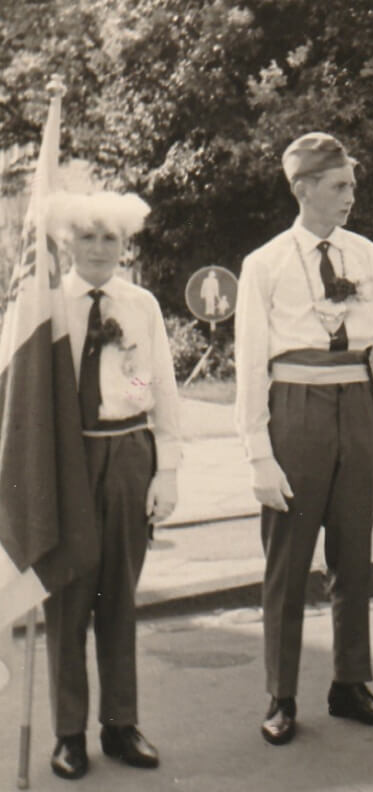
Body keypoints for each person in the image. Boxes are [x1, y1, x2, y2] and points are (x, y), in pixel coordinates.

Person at [235, 132, 373, 746]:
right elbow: (251, 364)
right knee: (288, 562)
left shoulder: (365, 255)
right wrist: (259, 453)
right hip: (296, 409)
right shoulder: (266, 263)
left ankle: (351, 682)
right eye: (339, 186)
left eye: (353, 185)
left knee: (354, 557)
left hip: (356, 407)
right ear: (302, 188)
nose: (351, 197)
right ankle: (281, 695)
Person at [45, 192, 179, 780]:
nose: (99, 249)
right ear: (66, 242)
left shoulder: (140, 305)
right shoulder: (43, 309)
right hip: (67, 460)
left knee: (119, 596)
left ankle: (120, 724)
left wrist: (166, 469)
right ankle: (69, 732)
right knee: (69, 600)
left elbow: (161, 388)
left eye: (111, 239)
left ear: (125, 245)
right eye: (88, 237)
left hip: (127, 452)